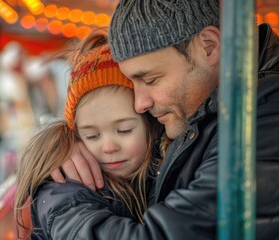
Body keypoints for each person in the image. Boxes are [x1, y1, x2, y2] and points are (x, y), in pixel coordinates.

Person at [50, 0, 279, 239]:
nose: (140, 104)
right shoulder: (200, 111)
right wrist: (73, 148)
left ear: (209, 46)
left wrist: (61, 203)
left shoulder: (263, 118)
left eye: (150, 80)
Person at [14, 32, 167, 239]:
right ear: (75, 134)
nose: (108, 146)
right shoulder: (63, 184)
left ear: (152, 125)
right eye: (92, 135)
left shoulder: (164, 167)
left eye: (123, 130)